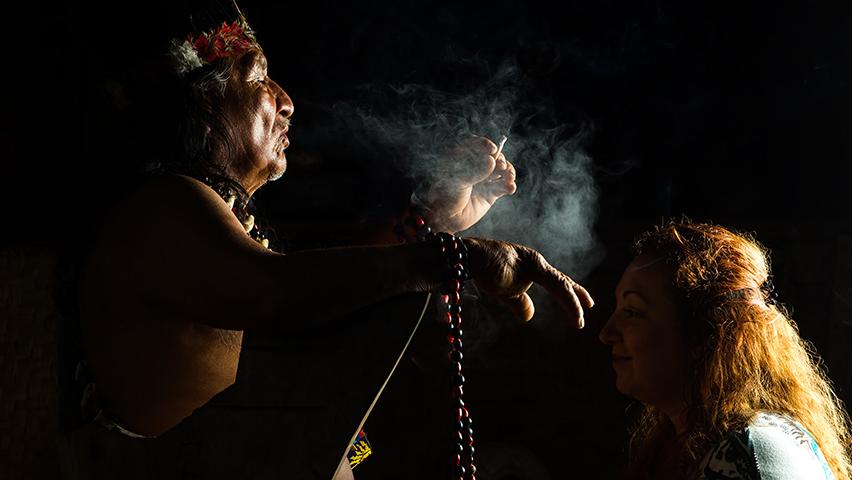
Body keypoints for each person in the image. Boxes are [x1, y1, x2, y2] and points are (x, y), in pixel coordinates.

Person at [62, 2, 595, 478]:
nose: (287, 101)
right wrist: (458, 257)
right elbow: (281, 294)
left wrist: (431, 222)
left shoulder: (211, 220)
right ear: (198, 107)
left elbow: (314, 287)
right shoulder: (163, 208)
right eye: (258, 81)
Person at [599, 219, 852, 479]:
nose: (606, 334)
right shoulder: (686, 445)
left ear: (706, 334)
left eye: (632, 312)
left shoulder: (752, 450)